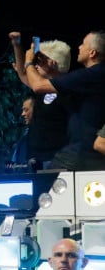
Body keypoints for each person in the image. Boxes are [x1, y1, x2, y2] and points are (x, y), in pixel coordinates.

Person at [22, 31, 105, 170]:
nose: (79, 47)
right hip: (84, 152)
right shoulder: (94, 76)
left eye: (83, 44)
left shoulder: (92, 75)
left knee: (46, 188)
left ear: (92, 53)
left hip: (83, 153)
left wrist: (29, 61)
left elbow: (38, 86)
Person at [9, 32, 72, 169]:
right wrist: (17, 45)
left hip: (57, 158)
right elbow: (23, 74)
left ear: (52, 63)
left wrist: (30, 61)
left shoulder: (68, 88)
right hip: (36, 158)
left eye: (40, 61)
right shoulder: (42, 88)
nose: (35, 66)